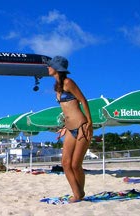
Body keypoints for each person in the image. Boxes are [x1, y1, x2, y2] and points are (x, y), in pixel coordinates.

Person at [48, 56, 93, 202]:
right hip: (69, 128)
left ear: (56, 68)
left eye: (50, 66)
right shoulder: (57, 87)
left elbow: (83, 100)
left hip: (81, 126)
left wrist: (89, 122)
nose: (48, 68)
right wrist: (64, 127)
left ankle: (79, 194)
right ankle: (78, 193)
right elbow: (67, 110)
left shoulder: (68, 82)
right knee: (65, 164)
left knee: (75, 165)